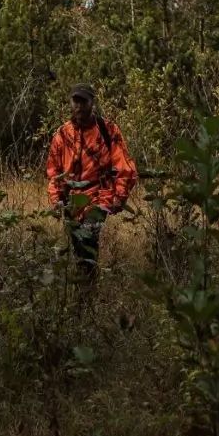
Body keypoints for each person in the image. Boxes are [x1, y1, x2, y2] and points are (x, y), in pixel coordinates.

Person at [45, 84, 138, 287]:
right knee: (79, 248)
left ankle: (87, 291)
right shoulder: (62, 134)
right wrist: (56, 198)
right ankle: (86, 292)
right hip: (71, 201)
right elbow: (53, 171)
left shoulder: (108, 130)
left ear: (92, 103)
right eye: (75, 101)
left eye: (83, 101)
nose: (78, 106)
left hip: (99, 196)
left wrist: (119, 197)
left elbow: (125, 166)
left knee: (87, 239)